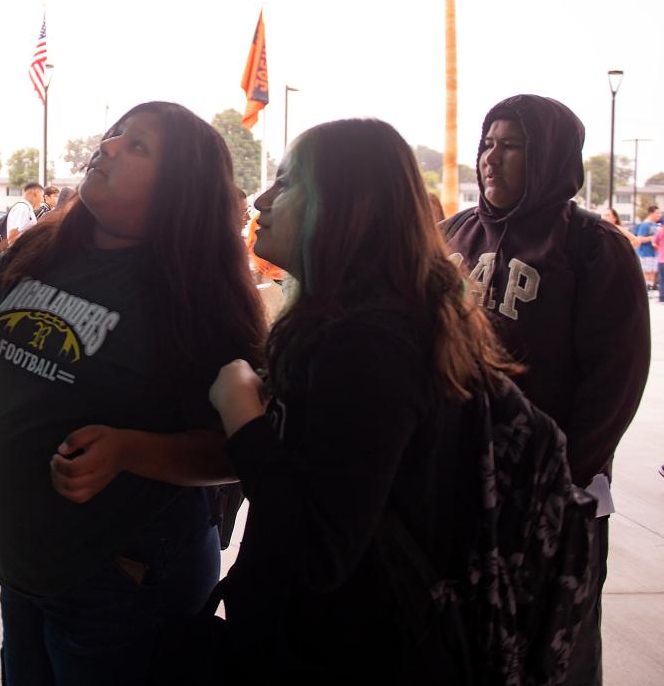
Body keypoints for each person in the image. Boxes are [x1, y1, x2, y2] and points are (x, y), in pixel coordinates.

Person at [0, 101, 267, 684]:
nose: (107, 146)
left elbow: (239, 450)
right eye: (114, 135)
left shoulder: (199, 293)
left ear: (180, 189)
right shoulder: (46, 248)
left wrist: (130, 450)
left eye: (136, 146)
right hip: (24, 565)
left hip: (121, 578)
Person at [203, 118, 520, 682]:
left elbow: (321, 549)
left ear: (346, 206)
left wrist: (242, 416)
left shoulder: (368, 344)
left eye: (286, 182)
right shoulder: (366, 322)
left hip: (345, 649)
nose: (262, 198)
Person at [443, 94, 650, 682]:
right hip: (462, 483)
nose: (492, 159)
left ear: (553, 156)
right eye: (488, 144)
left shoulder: (593, 248)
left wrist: (563, 476)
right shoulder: (451, 235)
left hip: (556, 493)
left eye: (513, 147)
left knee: (556, 647)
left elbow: (615, 381)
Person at [634, 205, 661, 288]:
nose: (659, 215)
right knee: (647, 271)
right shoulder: (644, 225)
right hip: (646, 253)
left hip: (655, 252)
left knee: (653, 271)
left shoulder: (656, 225)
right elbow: (639, 239)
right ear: (651, 213)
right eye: (657, 213)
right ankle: (647, 289)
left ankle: (651, 287)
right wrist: (653, 238)